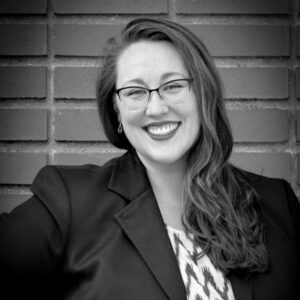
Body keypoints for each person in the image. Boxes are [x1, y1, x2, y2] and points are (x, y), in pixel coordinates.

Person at [0, 18, 299, 300]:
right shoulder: (69, 204)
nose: (155, 108)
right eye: (135, 92)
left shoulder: (277, 205)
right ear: (116, 109)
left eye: (173, 86)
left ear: (203, 94)